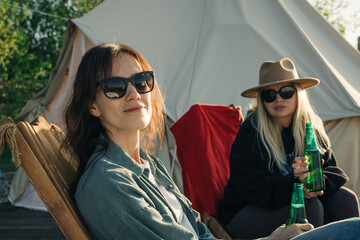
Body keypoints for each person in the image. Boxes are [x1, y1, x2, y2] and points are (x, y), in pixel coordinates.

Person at [64, 45, 358, 240]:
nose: (133, 94)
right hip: (249, 211)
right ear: (92, 105)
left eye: (141, 82)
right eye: (115, 87)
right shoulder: (111, 183)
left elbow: (198, 232)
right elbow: (249, 188)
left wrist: (312, 187)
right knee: (319, 214)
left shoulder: (148, 164)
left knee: (344, 202)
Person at [218, 58, 360, 239]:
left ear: (298, 94)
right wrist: (297, 183)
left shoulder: (310, 128)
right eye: (269, 94)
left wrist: (316, 183)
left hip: (287, 200)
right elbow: (254, 188)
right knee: (308, 207)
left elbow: (333, 170)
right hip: (245, 211)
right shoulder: (251, 131)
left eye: (286, 92)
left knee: (344, 198)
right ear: (262, 100)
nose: (278, 99)